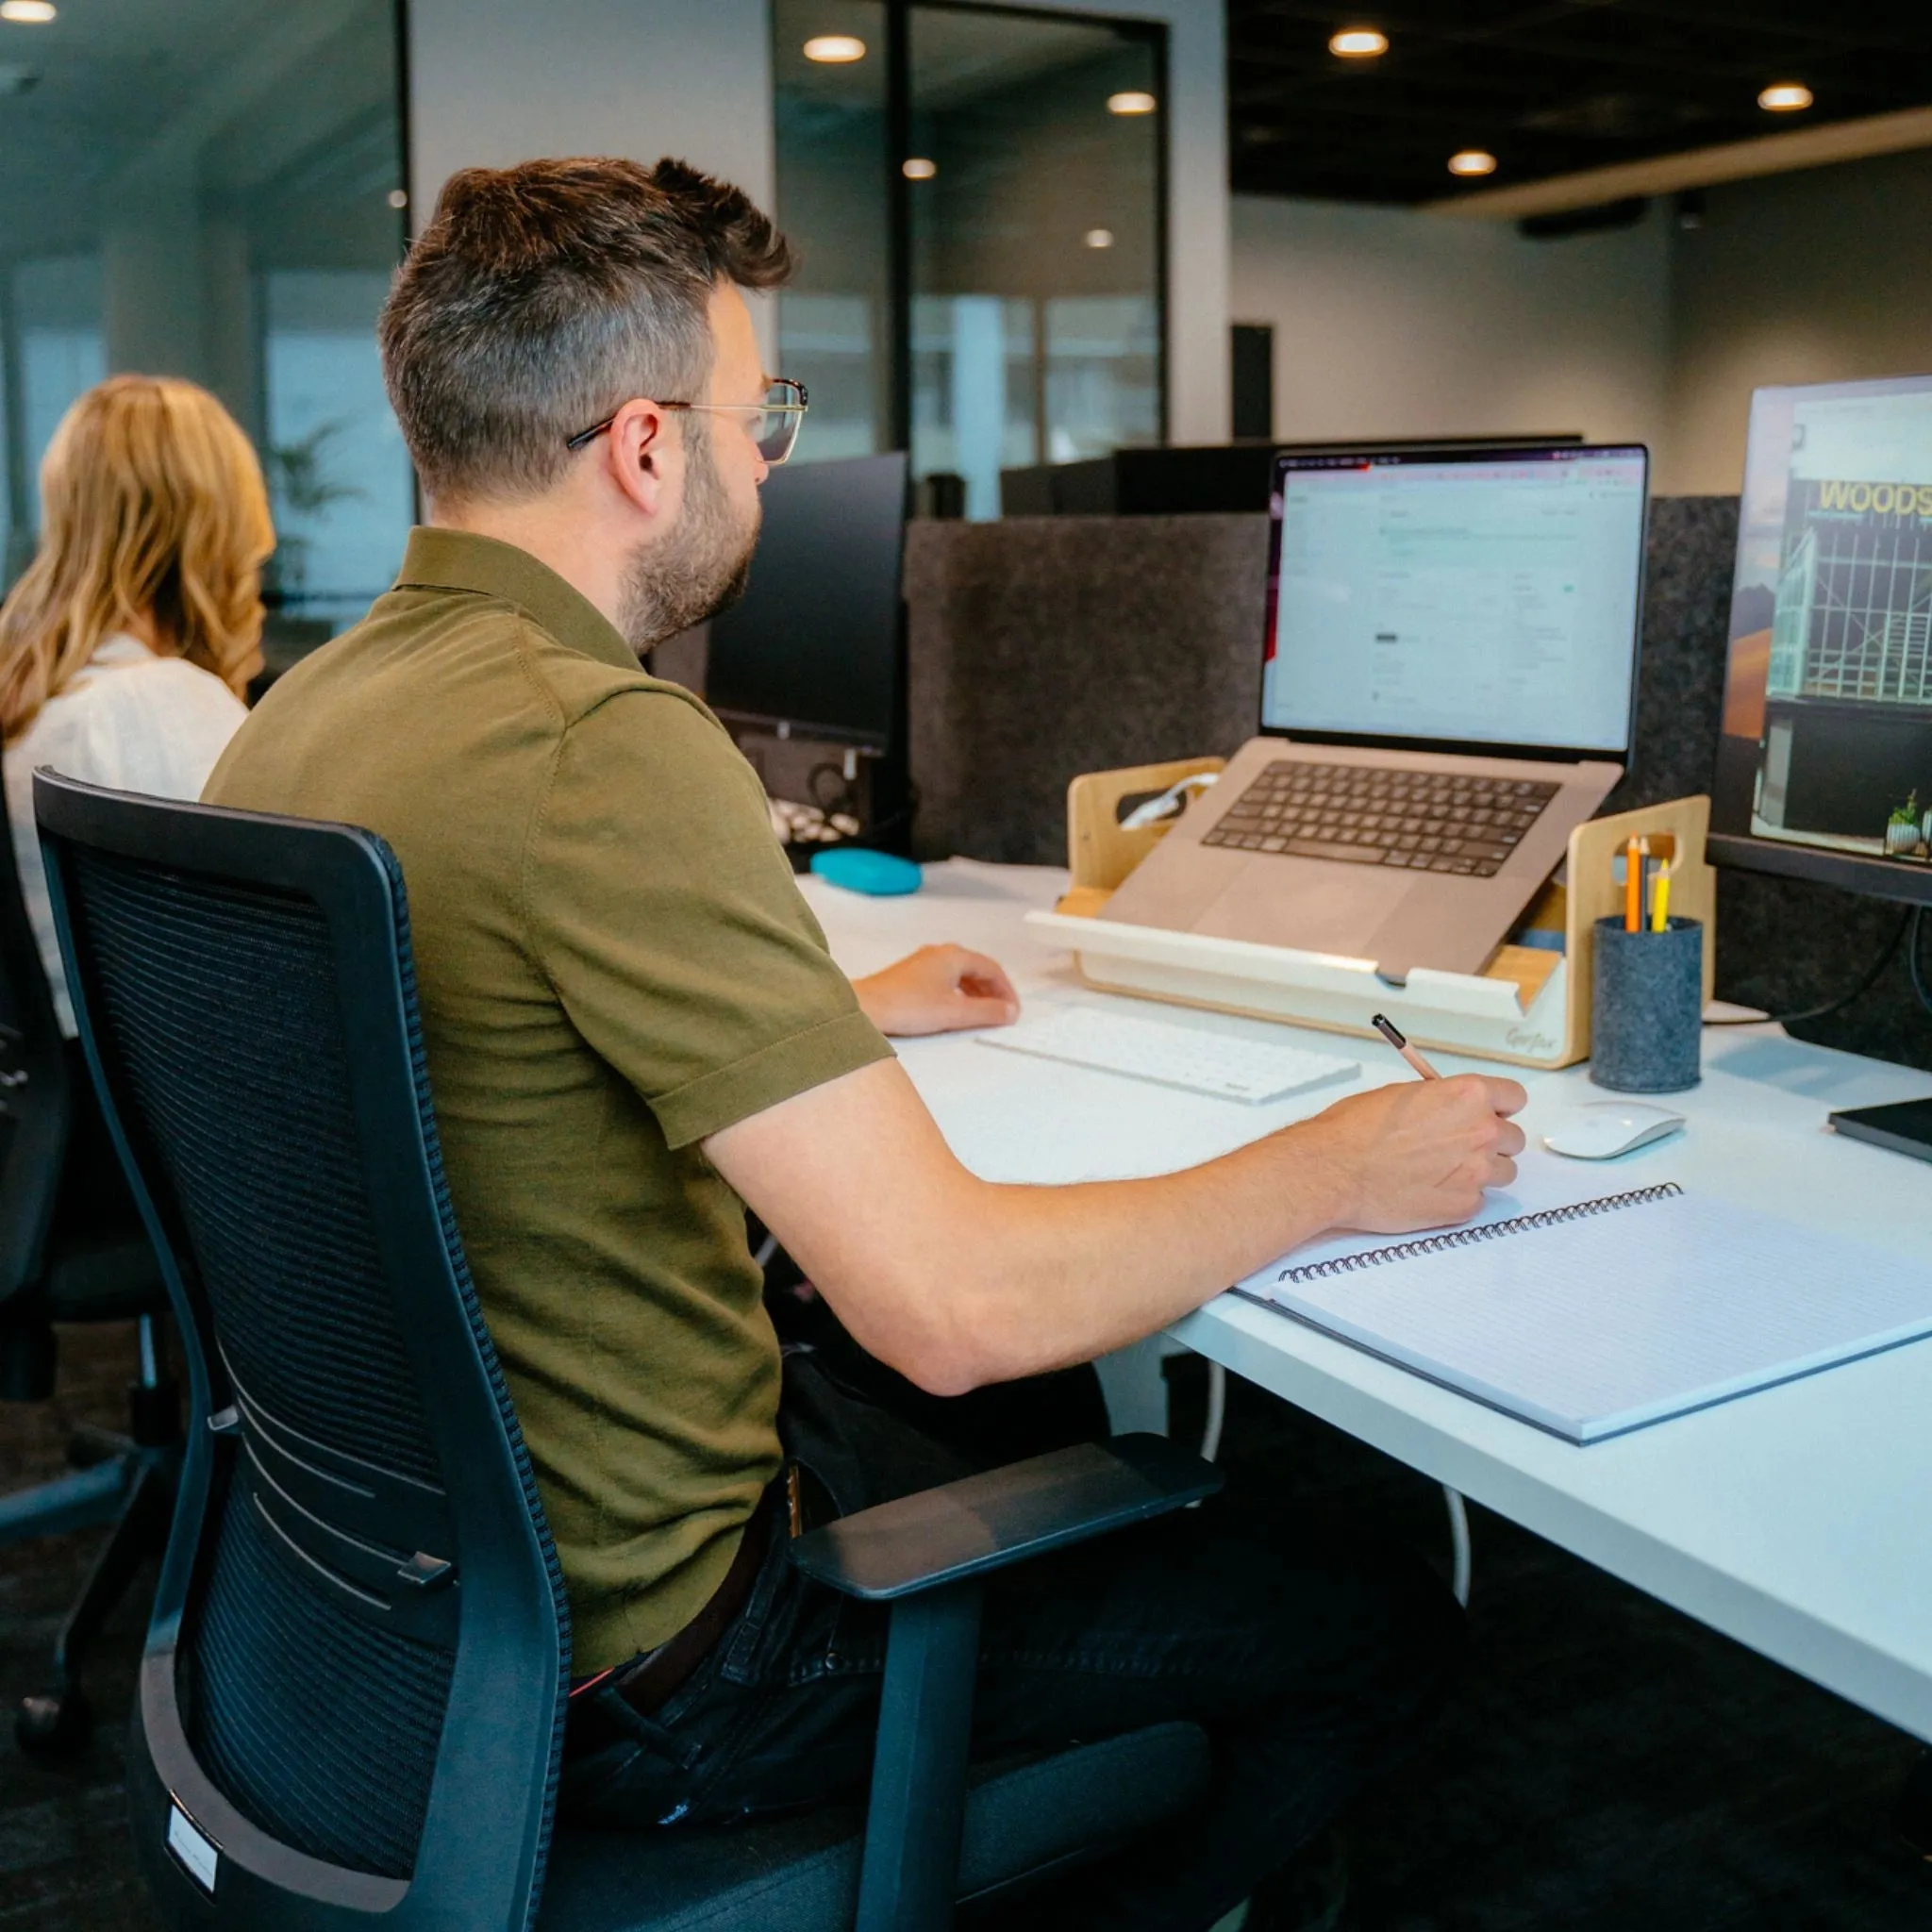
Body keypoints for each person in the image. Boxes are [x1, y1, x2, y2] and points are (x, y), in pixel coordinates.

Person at [205, 157, 1526, 1929]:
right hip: (672, 1657)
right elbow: (951, 1304)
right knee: (1366, 1604)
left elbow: (510, 1017)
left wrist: (819, 1008)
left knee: (1039, 1414)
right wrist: (1339, 1161)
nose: (769, 461)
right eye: (763, 418)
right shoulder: (600, 740)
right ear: (645, 447)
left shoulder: (299, 721)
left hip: (404, 1600)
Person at [1, 375, 272, 1034]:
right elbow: (258, 969)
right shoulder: (162, 707)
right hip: (149, 1115)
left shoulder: (29, 690)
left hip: (46, 1104)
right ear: (216, 528)